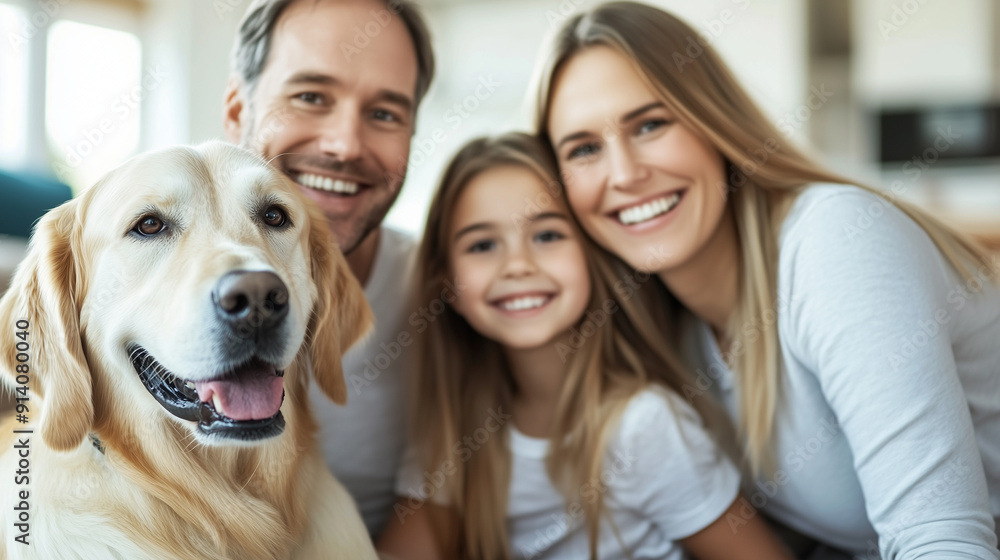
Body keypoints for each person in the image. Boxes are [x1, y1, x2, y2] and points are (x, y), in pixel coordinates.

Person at [535, 2, 1000, 558]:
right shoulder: (667, 335)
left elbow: (945, 539)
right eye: (584, 149)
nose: (625, 174)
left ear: (714, 123)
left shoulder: (835, 242)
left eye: (651, 124)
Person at [377, 132, 795, 560]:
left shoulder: (642, 426)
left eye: (547, 236)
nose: (518, 265)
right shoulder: (454, 430)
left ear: (592, 255)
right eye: (483, 245)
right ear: (448, 285)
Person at [223, 0, 435, 537]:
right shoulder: (139, 287)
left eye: (385, 114)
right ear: (235, 112)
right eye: (310, 97)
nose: (344, 145)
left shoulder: (452, 297)